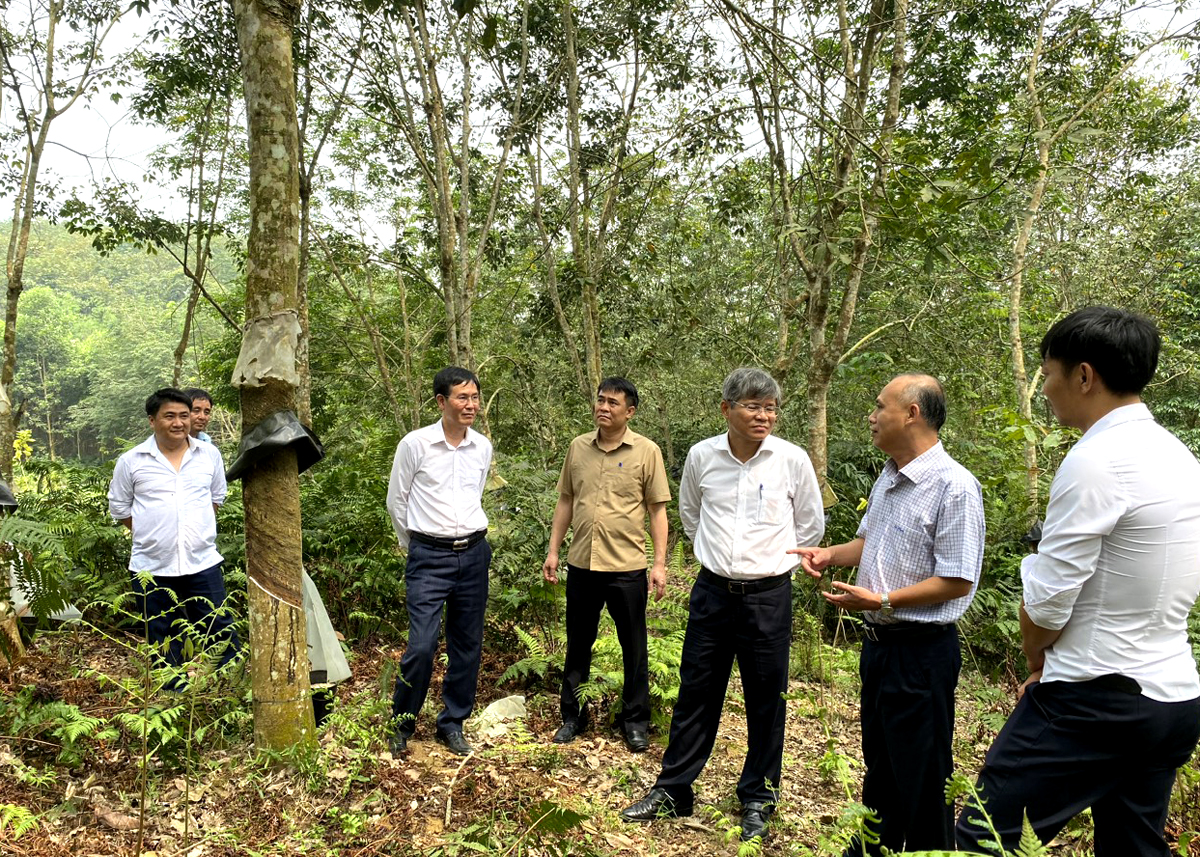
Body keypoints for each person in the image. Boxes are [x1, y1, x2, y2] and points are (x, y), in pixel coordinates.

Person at [956, 307, 1200, 856]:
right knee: (1132, 847)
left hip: (1096, 699)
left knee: (983, 837)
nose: (1045, 388)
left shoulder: (1096, 461)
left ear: (1084, 376)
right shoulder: (1181, 457)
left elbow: (1047, 602)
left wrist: (1039, 662)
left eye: (1048, 373)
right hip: (1174, 699)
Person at [621, 367, 824, 842]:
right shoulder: (702, 456)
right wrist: (717, 557)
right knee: (696, 693)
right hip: (712, 593)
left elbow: (810, 526)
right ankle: (674, 789)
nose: (764, 415)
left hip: (769, 597)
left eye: (771, 407)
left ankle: (758, 797)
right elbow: (691, 513)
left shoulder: (791, 460)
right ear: (726, 409)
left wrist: (771, 565)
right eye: (753, 406)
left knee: (766, 700)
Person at [795, 373, 984, 856]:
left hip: (922, 654)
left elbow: (959, 578)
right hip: (878, 650)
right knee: (880, 768)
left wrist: (880, 601)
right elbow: (869, 542)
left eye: (880, 407)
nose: (872, 416)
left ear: (912, 414)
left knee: (923, 777)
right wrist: (828, 555)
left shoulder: (954, 487)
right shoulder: (889, 476)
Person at [542, 377, 671, 753]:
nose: (604, 407)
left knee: (634, 647)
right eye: (600, 400)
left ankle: (635, 722)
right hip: (581, 563)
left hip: (626, 567)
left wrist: (659, 564)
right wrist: (553, 550)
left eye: (613, 403)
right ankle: (572, 716)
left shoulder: (647, 452)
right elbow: (565, 502)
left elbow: (657, 511)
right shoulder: (578, 448)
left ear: (629, 411)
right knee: (578, 644)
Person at [387, 366, 493, 757]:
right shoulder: (415, 444)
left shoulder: (481, 447)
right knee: (422, 644)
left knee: (468, 645)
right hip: (428, 556)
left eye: (475, 397)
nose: (471, 405)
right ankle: (402, 722)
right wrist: (414, 543)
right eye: (462, 398)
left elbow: (477, 493)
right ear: (441, 402)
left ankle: (452, 723)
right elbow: (397, 500)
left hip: (474, 554)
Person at [108, 388, 240, 685]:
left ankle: (231, 687)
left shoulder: (208, 455)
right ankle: (172, 693)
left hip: (202, 561)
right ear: (152, 420)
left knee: (217, 626)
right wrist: (155, 533)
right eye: (170, 416)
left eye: (183, 415)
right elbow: (119, 508)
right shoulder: (132, 461)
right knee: (162, 632)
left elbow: (216, 495)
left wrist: (193, 530)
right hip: (151, 565)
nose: (179, 423)